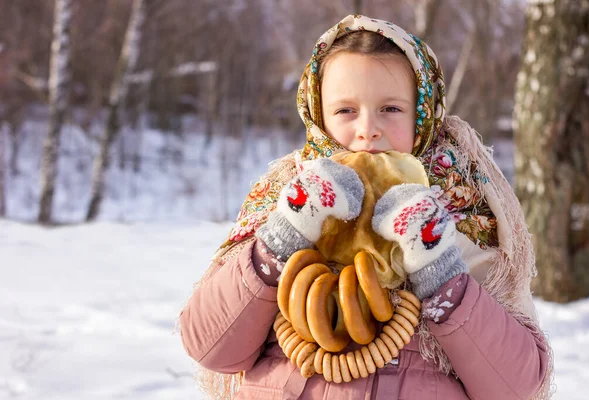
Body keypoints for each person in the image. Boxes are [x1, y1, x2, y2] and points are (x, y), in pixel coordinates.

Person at [179, 15, 552, 400]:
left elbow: (518, 387)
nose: (367, 130)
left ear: (422, 114)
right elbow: (211, 348)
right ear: (318, 114)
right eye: (345, 111)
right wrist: (285, 232)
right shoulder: (284, 194)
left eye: (390, 108)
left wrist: (441, 270)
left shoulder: (464, 209)